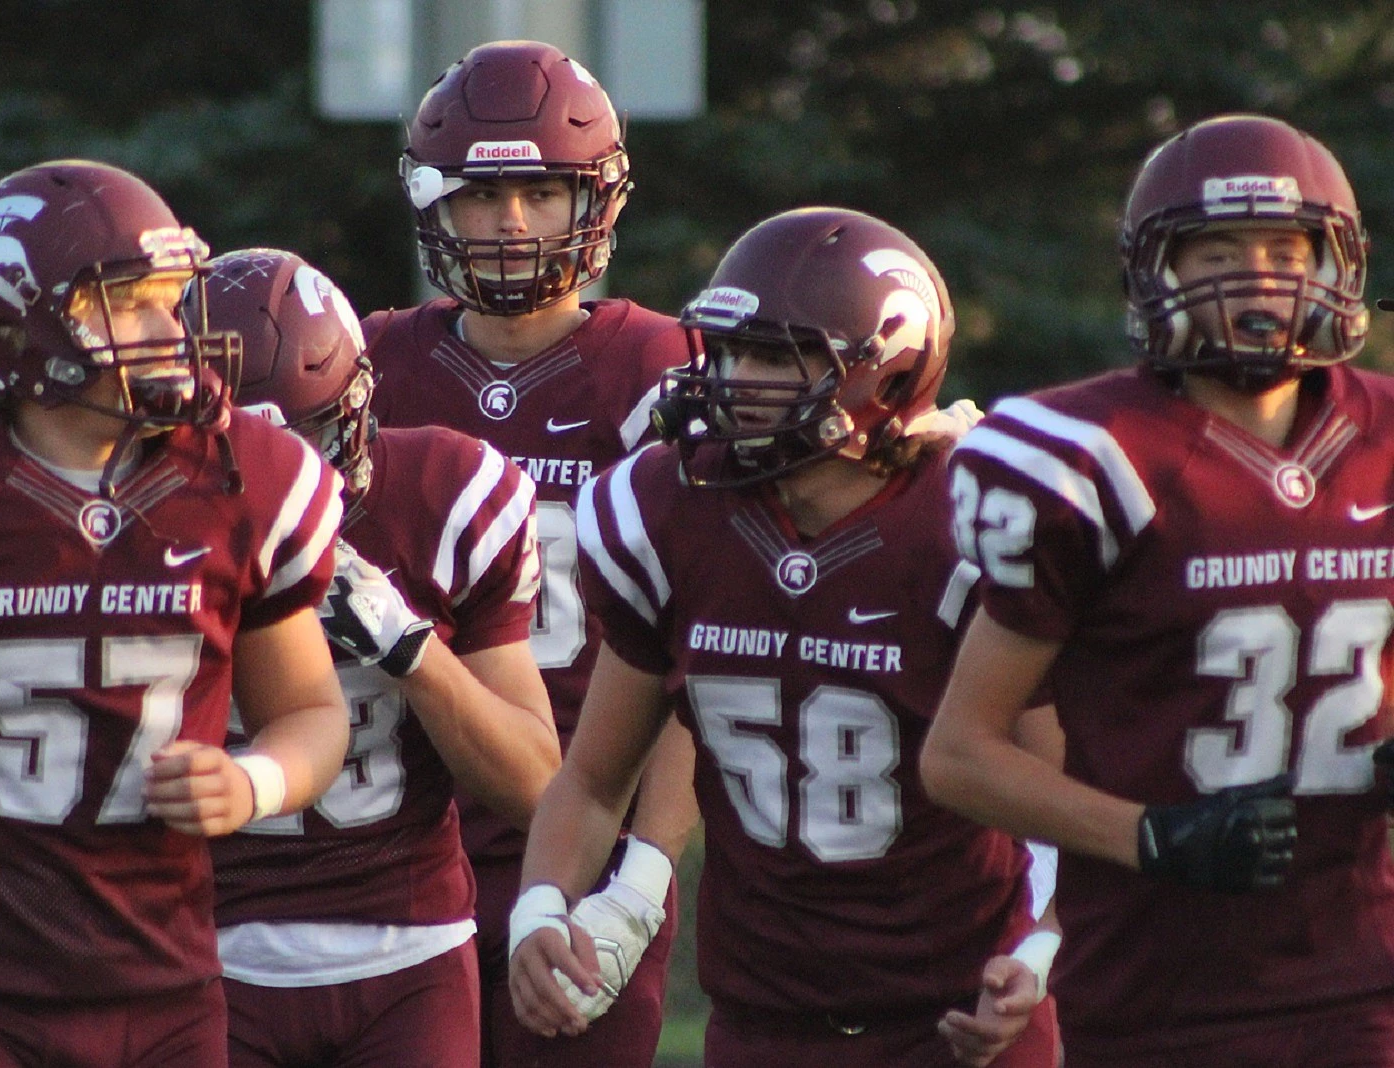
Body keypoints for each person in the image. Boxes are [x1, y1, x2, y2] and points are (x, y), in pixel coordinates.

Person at [0, 160, 352, 1067]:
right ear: (22, 326)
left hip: (163, 993)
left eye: (172, 299)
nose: (170, 330)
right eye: (130, 302)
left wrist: (255, 782)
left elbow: (310, 715)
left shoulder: (238, 475)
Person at [508, 207, 1061, 1068]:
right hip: (764, 1020)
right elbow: (590, 780)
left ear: (888, 372)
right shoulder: (672, 512)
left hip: (958, 1015)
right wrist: (541, 908)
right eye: (730, 350)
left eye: (775, 356)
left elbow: (1059, 793)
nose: (735, 378)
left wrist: (1038, 955)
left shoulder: (963, 528)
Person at [920, 113, 1394, 1066]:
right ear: (1157, 270)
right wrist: (1154, 836)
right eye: (1219, 247)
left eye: (1284, 246)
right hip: (1158, 990)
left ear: (1335, 260)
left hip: (1367, 973)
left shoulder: (1385, 442)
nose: (1257, 276)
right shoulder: (1082, 458)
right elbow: (961, 756)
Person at [364, 39, 697, 1067]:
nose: (511, 223)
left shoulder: (661, 371)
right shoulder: (366, 365)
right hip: (398, 836)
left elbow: (694, 653)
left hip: (586, 833)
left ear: (592, 201)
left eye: (543, 193)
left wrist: (641, 881)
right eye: (482, 193)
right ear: (434, 205)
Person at [196, 247, 560, 1067]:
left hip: (409, 951)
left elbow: (538, 785)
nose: (285, 480)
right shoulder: (138, 526)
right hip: (208, 948)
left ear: (358, 402)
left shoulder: (447, 492)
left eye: (308, 441)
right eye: (247, 455)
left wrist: (410, 650)